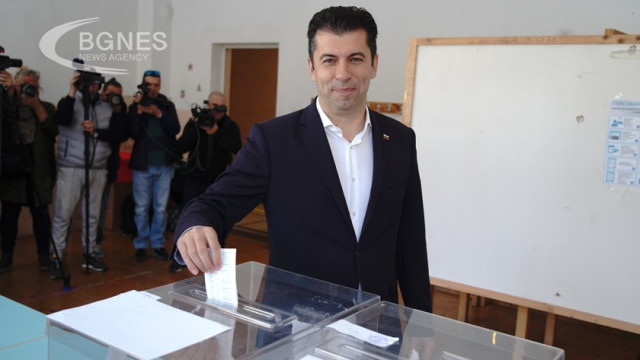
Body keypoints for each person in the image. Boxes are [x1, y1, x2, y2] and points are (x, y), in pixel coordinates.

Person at [174, 6, 432, 312]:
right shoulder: (274, 140)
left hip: (377, 321)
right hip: (296, 322)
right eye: (329, 60)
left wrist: (422, 325)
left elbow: (411, 239)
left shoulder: (400, 140)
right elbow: (215, 203)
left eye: (356, 59)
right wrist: (194, 227)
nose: (342, 73)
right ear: (311, 68)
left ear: (374, 65)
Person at [49, 67, 128, 278]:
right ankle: (56, 255)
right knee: (63, 214)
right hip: (71, 167)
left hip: (98, 168)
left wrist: (98, 128)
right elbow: (62, 119)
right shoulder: (69, 101)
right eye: (87, 82)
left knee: (92, 216)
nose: (92, 86)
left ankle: (89, 253)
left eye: (95, 82)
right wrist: (72, 90)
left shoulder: (105, 106)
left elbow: (120, 130)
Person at [169, 91, 242, 272]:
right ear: (207, 104)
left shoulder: (230, 125)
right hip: (195, 177)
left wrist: (216, 132)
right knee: (189, 217)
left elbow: (236, 147)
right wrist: (195, 127)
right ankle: (181, 259)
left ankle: (217, 257)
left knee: (220, 219)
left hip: (220, 180)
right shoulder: (196, 122)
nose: (217, 110)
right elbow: (181, 146)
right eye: (213, 105)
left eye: (221, 106)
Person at [0, 67, 57, 272]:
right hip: (13, 170)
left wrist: (34, 104)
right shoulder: (8, 106)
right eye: (23, 84)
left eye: (31, 86)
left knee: (41, 217)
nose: (27, 89)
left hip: (38, 170)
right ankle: (6, 255)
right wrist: (9, 93)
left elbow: (52, 129)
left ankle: (43, 256)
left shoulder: (47, 107)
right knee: (8, 217)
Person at [128, 70, 180, 262]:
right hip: (142, 165)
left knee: (160, 208)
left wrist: (158, 113)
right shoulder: (136, 106)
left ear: (160, 85)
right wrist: (137, 111)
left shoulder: (167, 105)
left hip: (164, 165)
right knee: (141, 208)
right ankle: (141, 244)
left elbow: (175, 128)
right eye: (149, 85)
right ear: (143, 85)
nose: (152, 88)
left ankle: (157, 243)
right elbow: (132, 133)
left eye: (156, 85)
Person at [95, 78, 128, 257]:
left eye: (118, 95)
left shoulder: (121, 110)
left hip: (108, 167)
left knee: (100, 209)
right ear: (103, 93)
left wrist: (117, 111)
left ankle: (95, 243)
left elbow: (120, 135)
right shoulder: (95, 106)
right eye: (111, 94)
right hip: (88, 164)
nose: (114, 98)